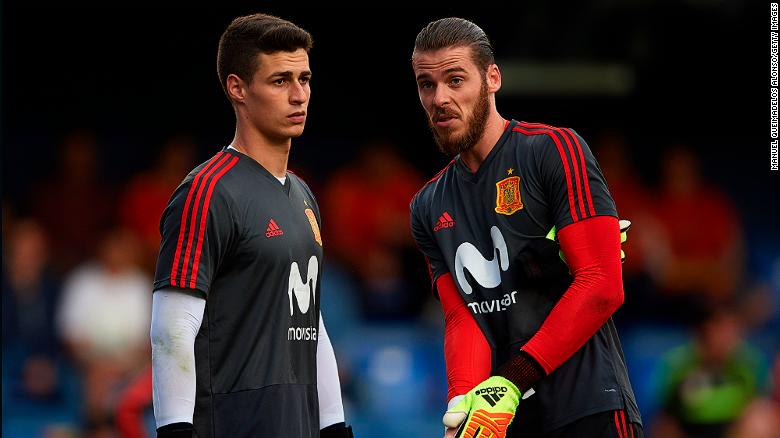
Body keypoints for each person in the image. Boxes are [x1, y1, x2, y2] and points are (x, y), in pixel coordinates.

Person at [408, 18, 641, 437]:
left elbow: (603, 284)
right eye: (427, 85)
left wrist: (512, 380)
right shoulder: (427, 205)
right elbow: (464, 316)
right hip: (506, 420)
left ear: (492, 77)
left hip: (588, 407)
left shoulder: (554, 149)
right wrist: (462, 401)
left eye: (455, 80)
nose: (439, 98)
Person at [150, 14, 352, 438]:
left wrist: (334, 426)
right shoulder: (207, 191)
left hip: (297, 423)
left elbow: (311, 321)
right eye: (280, 81)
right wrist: (175, 431)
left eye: (305, 79)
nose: (299, 95)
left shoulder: (303, 195)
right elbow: (172, 328)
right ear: (237, 88)